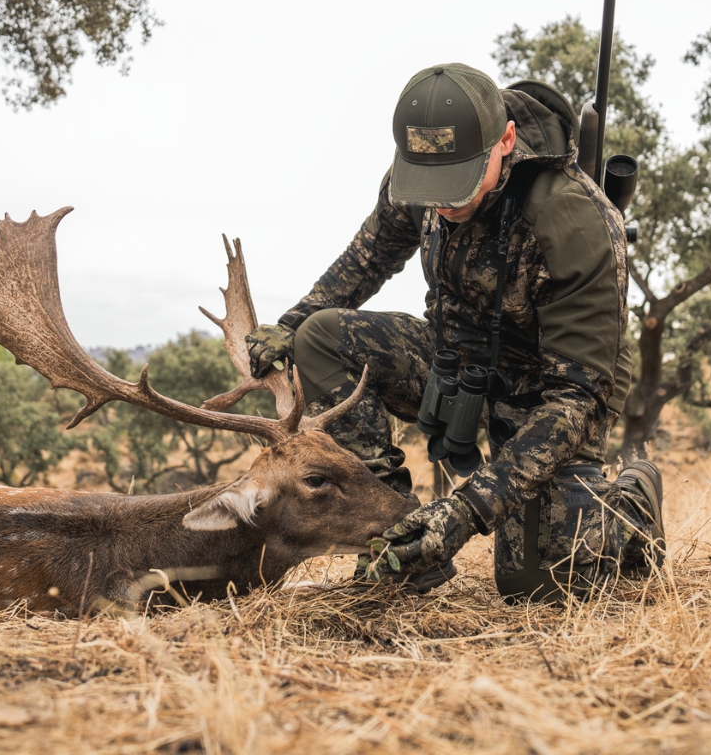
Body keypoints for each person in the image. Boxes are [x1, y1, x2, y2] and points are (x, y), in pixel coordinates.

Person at [246, 63, 664, 598]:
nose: (443, 202)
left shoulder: (575, 219)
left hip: (550, 393)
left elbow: (576, 400)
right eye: (431, 184)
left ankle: (631, 502)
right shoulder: (422, 171)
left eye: (459, 183)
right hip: (456, 363)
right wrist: (292, 323)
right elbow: (369, 256)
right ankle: (392, 539)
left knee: (539, 586)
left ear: (506, 141)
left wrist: (463, 512)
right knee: (320, 337)